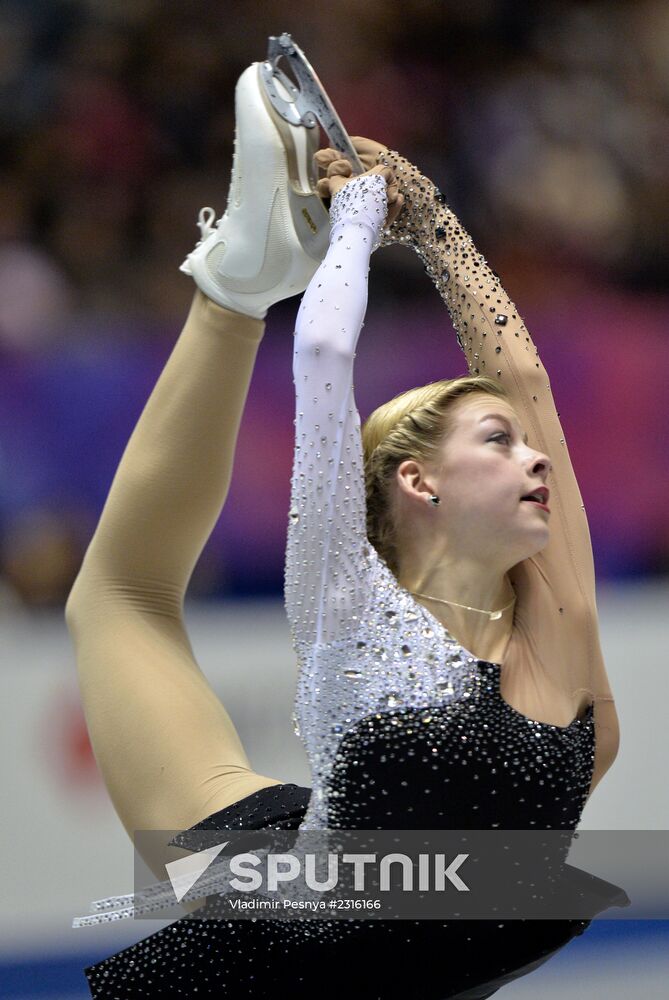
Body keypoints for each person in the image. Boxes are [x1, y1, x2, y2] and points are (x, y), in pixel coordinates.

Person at [67, 62, 622, 998]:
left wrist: (435, 221)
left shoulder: (559, 630)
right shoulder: (353, 602)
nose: (539, 460)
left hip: (369, 922)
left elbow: (526, 382)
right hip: (278, 937)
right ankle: (235, 286)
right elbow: (324, 358)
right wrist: (355, 233)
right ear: (416, 480)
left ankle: (241, 282)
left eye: (530, 449)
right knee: (121, 598)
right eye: (499, 443)